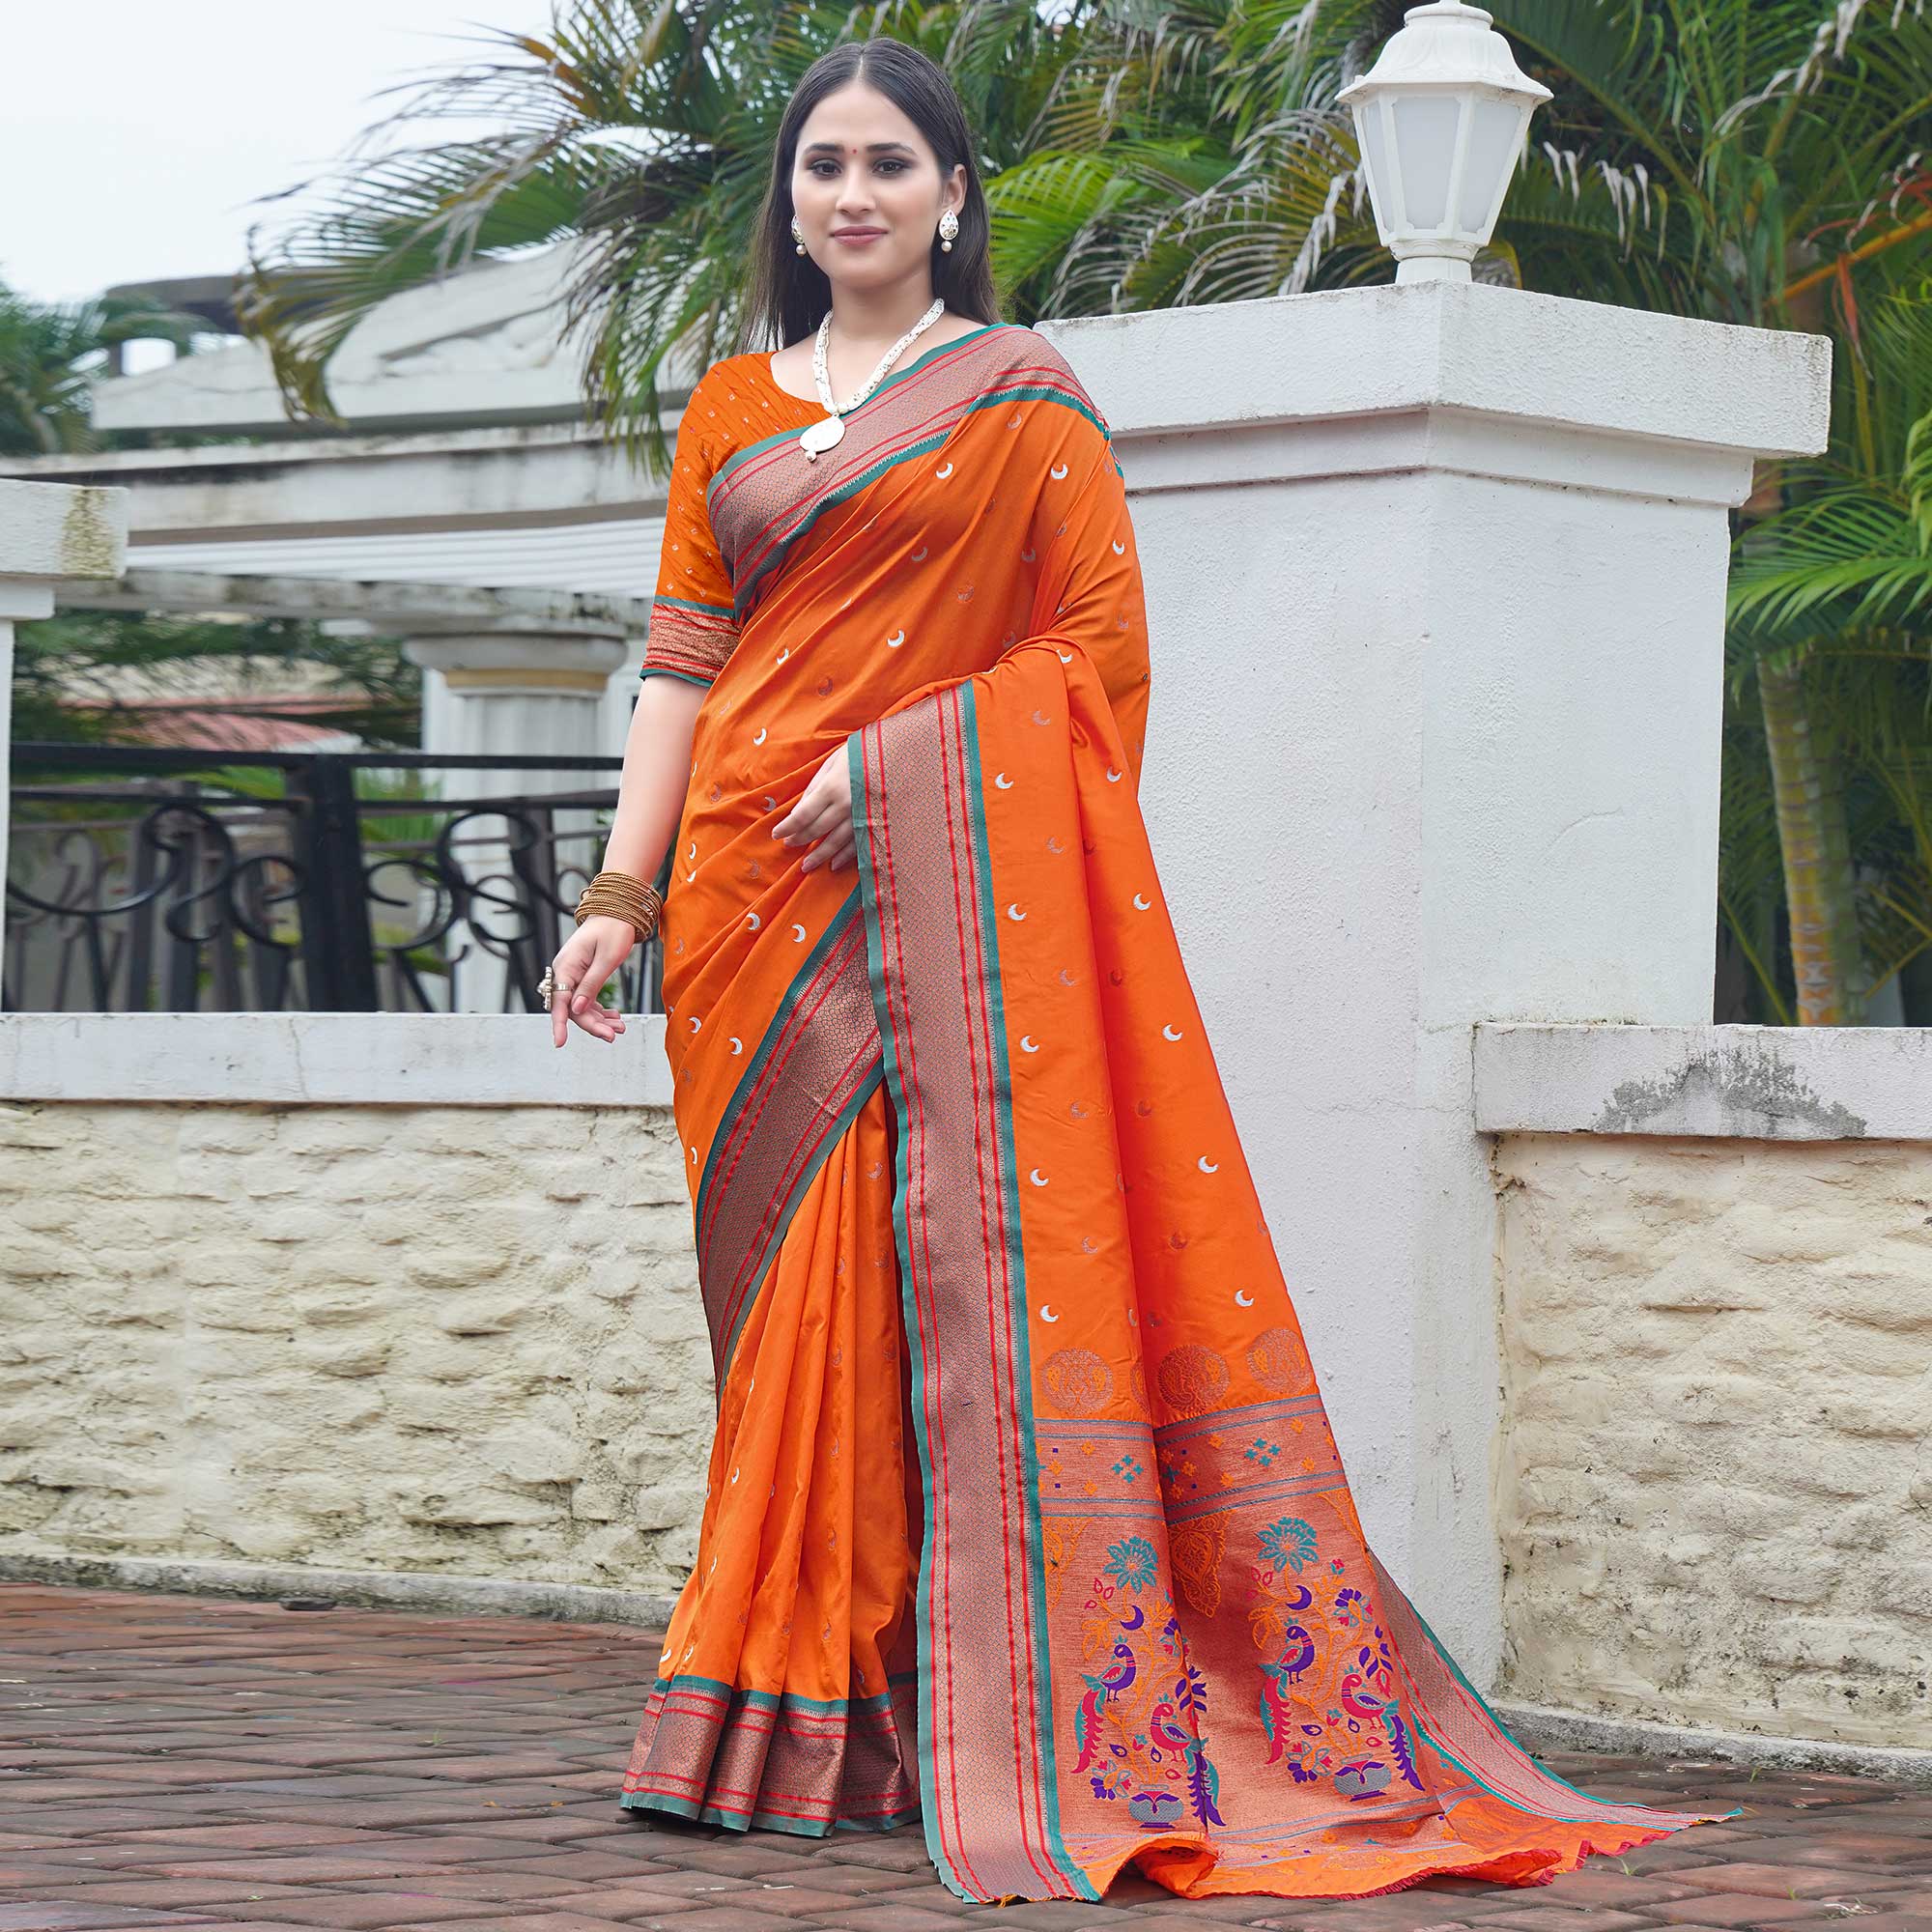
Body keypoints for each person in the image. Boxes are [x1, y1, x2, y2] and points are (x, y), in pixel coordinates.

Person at [540, 34, 1724, 1911]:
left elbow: (1093, 660)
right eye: (822, 165)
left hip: (912, 888)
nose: (851, 194)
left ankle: (848, 1713)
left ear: (953, 197)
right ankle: (798, 1705)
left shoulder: (1022, 400)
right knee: (788, 1315)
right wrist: (621, 891)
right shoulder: (726, 410)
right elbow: (682, 665)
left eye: (888, 165)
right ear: (789, 198)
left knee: (895, 1288)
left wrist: (906, 763)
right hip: (743, 914)